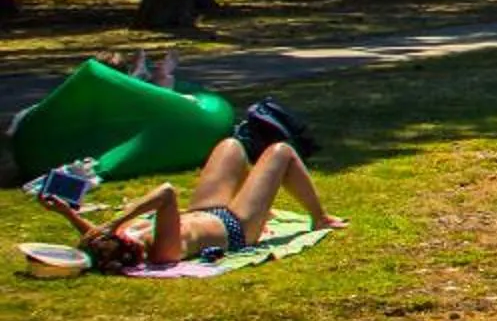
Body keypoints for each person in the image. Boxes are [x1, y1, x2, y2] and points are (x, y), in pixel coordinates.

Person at [43, 133, 344, 271]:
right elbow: (166, 193)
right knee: (281, 152)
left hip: (206, 211)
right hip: (237, 228)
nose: (117, 231)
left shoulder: (126, 240)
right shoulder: (163, 251)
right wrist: (117, 220)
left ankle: (256, 200)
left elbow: (94, 237)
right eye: (117, 233)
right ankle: (320, 217)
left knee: (231, 146)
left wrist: (67, 213)